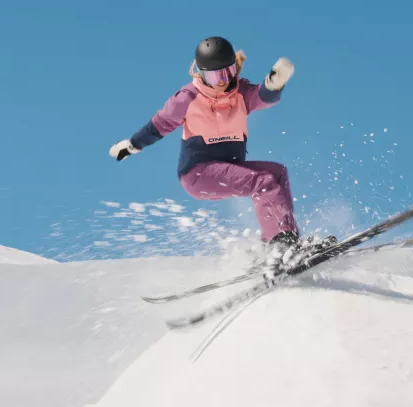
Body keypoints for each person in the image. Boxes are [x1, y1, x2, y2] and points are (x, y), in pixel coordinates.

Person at [110, 36, 306, 258]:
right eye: (214, 76)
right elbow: (161, 124)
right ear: (200, 73)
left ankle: (284, 239)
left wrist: (273, 84)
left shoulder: (240, 93)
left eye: (226, 73)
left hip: (228, 168)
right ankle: (280, 245)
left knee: (277, 173)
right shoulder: (188, 98)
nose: (222, 81)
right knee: (263, 181)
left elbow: (261, 97)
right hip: (198, 174)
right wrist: (133, 145)